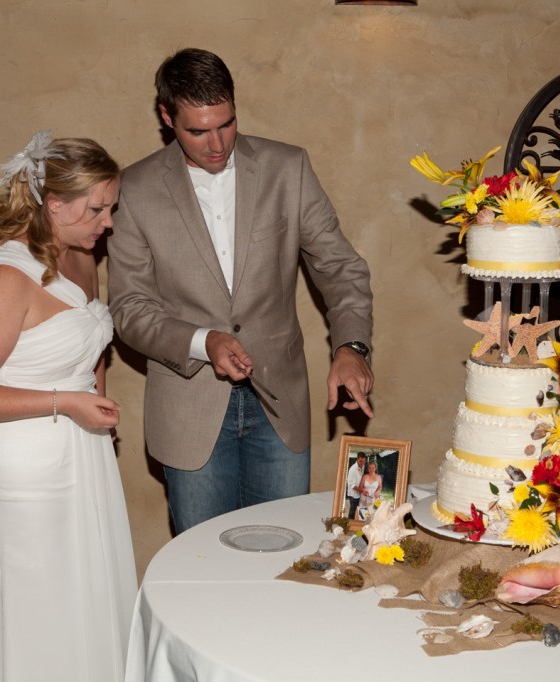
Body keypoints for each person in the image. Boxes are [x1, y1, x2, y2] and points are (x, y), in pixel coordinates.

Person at [108, 48, 374, 534]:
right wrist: (202, 342)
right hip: (188, 412)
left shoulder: (287, 167)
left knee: (285, 556)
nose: (217, 144)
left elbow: (341, 267)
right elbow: (129, 309)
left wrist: (351, 347)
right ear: (167, 117)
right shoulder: (135, 188)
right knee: (202, 562)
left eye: (226, 124)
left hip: (280, 405)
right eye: (198, 131)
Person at [0, 133, 137, 681]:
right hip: (22, 464)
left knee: (86, 592)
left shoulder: (81, 257)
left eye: (111, 207)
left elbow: (88, 343)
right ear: (54, 204)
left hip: (82, 448)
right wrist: (66, 402)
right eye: (97, 209)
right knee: (39, 604)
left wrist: (92, 399)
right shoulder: (4, 278)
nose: (108, 222)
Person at [345, 453, 366, 519]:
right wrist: (362, 490)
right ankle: (349, 523)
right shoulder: (352, 469)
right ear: (357, 459)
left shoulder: (363, 466)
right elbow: (352, 485)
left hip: (359, 491)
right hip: (353, 494)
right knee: (352, 511)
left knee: (358, 509)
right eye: (360, 461)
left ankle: (357, 520)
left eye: (364, 461)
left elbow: (361, 477)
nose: (362, 463)